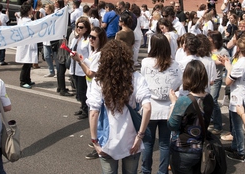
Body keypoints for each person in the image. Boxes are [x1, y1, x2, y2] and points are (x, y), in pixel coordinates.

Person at [87, 40, 151, 174]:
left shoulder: (99, 81)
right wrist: (140, 137)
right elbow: (147, 108)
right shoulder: (136, 77)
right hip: (132, 139)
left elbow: (94, 112)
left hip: (107, 140)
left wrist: (95, 141)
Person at [140, 34, 183, 174]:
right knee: (165, 143)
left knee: (147, 142)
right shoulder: (175, 64)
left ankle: (146, 170)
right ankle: (162, 171)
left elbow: (143, 81)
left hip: (150, 106)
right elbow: (178, 83)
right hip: (168, 107)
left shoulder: (146, 62)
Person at [167, 60, 214, 174]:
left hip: (182, 149)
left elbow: (172, 125)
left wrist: (173, 103)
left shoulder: (184, 101)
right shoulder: (209, 98)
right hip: (200, 148)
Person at [71, 27, 107, 160]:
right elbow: (91, 66)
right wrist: (82, 59)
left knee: (96, 117)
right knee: (98, 119)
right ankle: (98, 141)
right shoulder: (94, 52)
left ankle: (98, 144)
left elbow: (91, 73)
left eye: (94, 37)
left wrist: (79, 61)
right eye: (90, 37)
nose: (90, 39)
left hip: (97, 90)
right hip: (92, 88)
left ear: (100, 39)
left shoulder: (100, 54)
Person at [221, 37, 245, 161]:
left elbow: (228, 81)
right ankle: (235, 146)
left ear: (238, 48)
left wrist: (227, 66)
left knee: (237, 126)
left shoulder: (241, 64)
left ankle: (240, 151)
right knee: (237, 124)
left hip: (239, 97)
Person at [207, 31, 230, 135]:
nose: (208, 40)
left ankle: (218, 125)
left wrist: (215, 61)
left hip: (216, 78)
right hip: (207, 78)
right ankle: (211, 118)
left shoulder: (223, 51)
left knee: (214, 101)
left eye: (210, 39)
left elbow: (225, 63)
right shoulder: (208, 50)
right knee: (207, 100)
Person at [69, 17, 91, 120]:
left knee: (83, 90)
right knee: (78, 90)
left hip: (83, 68)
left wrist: (82, 60)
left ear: (86, 28)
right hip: (74, 67)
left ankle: (86, 109)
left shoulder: (88, 40)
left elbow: (90, 55)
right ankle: (82, 106)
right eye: (77, 26)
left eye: (81, 27)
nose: (78, 29)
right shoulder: (75, 39)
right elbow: (72, 49)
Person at [15, 2, 37, 89]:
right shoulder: (27, 21)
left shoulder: (21, 19)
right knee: (27, 63)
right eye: (31, 9)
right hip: (27, 44)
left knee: (29, 62)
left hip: (26, 43)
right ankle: (23, 81)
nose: (32, 10)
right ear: (28, 11)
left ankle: (28, 79)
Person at [43, 3, 58, 77]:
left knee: (56, 57)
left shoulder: (54, 17)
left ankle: (58, 71)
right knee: (46, 56)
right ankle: (51, 71)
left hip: (53, 40)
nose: (45, 9)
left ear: (50, 9)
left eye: (46, 7)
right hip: (46, 40)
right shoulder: (45, 17)